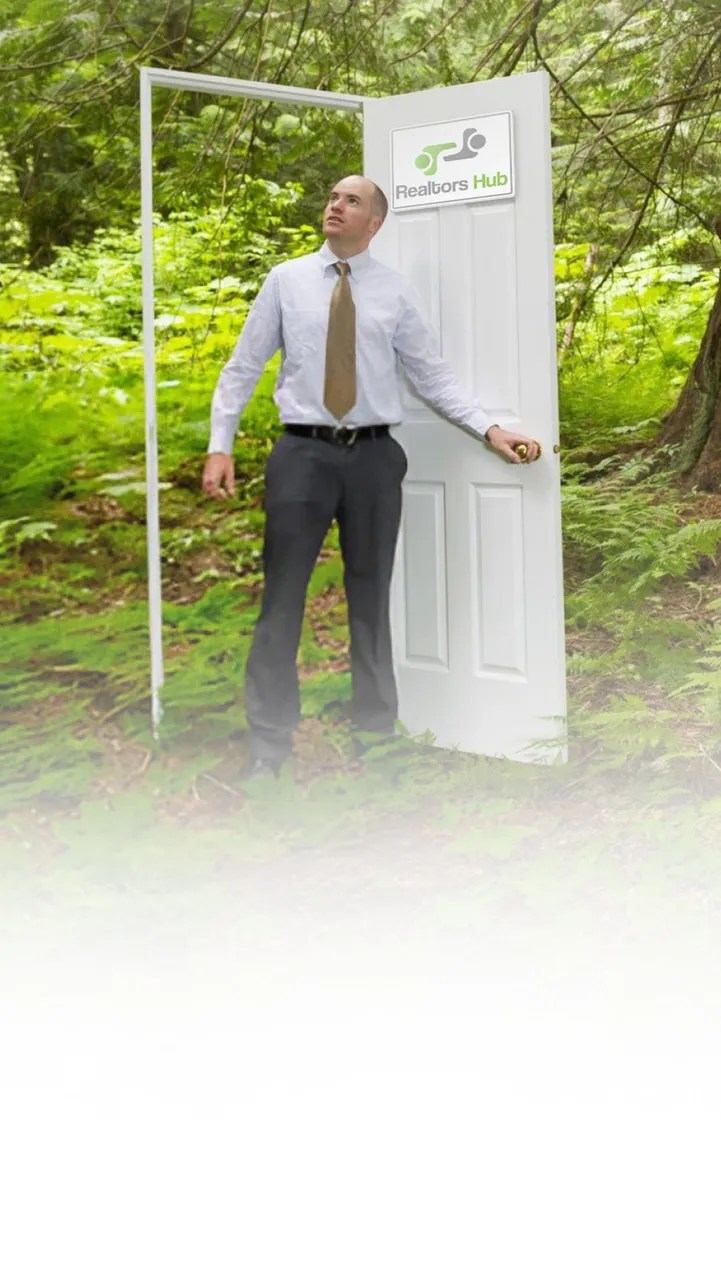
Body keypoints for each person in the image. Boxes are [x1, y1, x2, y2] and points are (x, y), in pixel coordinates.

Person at [202, 174, 539, 778]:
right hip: (302, 455)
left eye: (351, 200)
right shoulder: (285, 282)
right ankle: (269, 744)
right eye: (332, 196)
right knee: (281, 599)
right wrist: (219, 446)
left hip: (375, 460)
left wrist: (491, 429)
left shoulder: (395, 294)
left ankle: (377, 737)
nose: (335, 205)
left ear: (374, 223)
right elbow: (243, 365)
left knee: (370, 599)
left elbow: (433, 377)